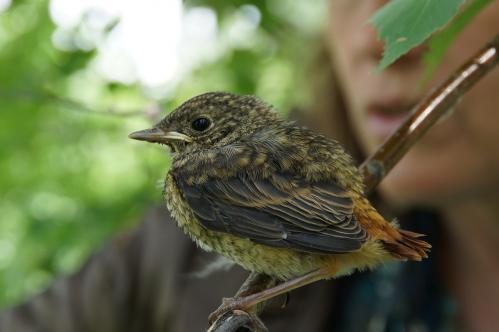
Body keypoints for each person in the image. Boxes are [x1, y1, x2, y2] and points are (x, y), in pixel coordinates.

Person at [1, 1, 498, 331]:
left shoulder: (211, 177)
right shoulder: (168, 257)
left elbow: (312, 235)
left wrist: (245, 303)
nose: (379, 38)